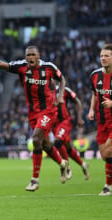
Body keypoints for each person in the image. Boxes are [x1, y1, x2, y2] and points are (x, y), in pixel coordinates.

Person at [0, 42, 68, 192]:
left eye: (33, 54)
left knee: (35, 140)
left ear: (38, 56)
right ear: (25, 57)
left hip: (48, 111)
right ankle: (62, 164)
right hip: (33, 113)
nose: (31, 57)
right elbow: (1, 64)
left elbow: (62, 79)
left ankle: (34, 180)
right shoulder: (21, 67)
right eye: (28, 55)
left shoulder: (49, 67)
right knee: (45, 144)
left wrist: (60, 96)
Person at [87, 43, 112, 196]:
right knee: (105, 155)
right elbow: (95, 94)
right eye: (102, 55)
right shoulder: (95, 75)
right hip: (102, 121)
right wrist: (91, 109)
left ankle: (108, 186)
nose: (103, 58)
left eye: (107, 56)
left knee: (109, 151)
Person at [52, 84, 90, 180]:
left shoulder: (64, 90)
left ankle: (67, 167)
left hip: (64, 122)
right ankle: (83, 165)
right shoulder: (44, 92)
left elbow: (77, 102)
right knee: (68, 148)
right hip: (53, 125)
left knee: (57, 142)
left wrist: (80, 118)